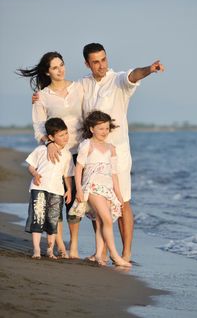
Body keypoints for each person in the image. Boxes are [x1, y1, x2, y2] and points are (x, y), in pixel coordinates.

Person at [31, 44, 165, 261]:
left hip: (117, 153)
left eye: (103, 59)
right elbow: (62, 97)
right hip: (92, 153)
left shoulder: (118, 80)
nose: (101, 65)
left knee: (123, 202)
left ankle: (126, 253)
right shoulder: (83, 84)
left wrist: (149, 69)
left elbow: (133, 75)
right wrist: (40, 97)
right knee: (97, 202)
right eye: (96, 61)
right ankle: (100, 251)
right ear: (87, 64)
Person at [17, 52, 84, 258]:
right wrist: (49, 143)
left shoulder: (79, 88)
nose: (60, 70)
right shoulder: (42, 96)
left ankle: (73, 246)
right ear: (48, 71)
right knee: (57, 198)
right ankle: (61, 246)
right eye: (55, 67)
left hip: (80, 152)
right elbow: (38, 128)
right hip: (57, 154)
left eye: (62, 65)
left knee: (74, 202)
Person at [69, 110, 131, 267]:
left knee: (101, 222)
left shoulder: (111, 148)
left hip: (108, 189)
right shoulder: (86, 145)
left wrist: (118, 195)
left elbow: (114, 174)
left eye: (107, 128)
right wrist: (79, 190)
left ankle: (98, 254)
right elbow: (78, 169)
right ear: (92, 129)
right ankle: (116, 256)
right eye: (101, 128)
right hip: (92, 187)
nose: (105, 131)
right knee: (107, 220)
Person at [25, 117, 74, 259]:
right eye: (61, 135)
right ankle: (36, 250)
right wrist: (35, 174)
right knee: (38, 218)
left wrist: (69, 190)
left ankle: (50, 250)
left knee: (53, 220)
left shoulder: (67, 154)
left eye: (66, 133)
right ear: (51, 137)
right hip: (39, 187)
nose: (65, 137)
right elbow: (30, 165)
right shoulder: (41, 149)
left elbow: (67, 175)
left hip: (57, 190)